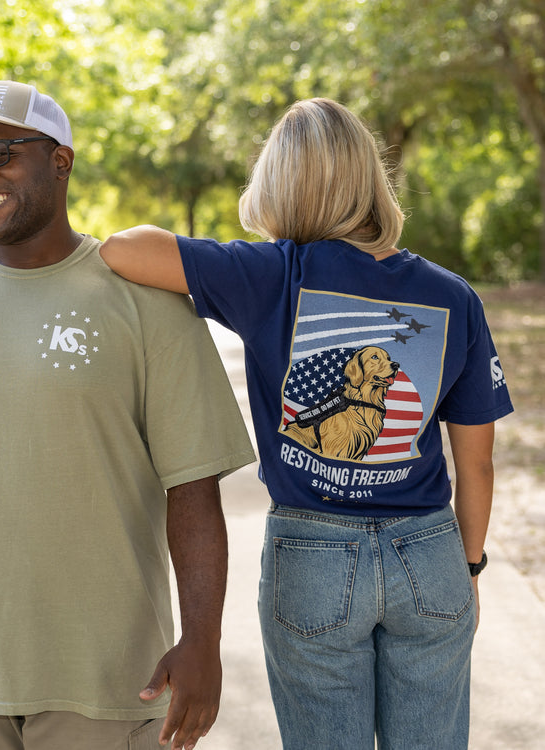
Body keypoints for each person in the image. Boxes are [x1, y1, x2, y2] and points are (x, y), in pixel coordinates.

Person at [0, 80, 256, 750]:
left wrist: (201, 641)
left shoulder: (143, 298)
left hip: (107, 676)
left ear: (60, 160)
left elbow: (193, 484)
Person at [100, 98, 514, 749]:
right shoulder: (452, 294)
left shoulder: (271, 273)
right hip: (430, 552)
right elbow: (478, 464)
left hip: (314, 555)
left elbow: (123, 250)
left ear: (278, 183)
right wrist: (468, 569)